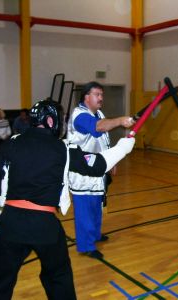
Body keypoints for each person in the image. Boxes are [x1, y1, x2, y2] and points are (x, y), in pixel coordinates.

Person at [0, 99, 135, 299]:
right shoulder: (63, 148)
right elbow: (98, 165)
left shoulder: (11, 143)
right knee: (58, 277)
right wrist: (123, 148)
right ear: (52, 122)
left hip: (11, 221)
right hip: (44, 225)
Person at [67, 81, 135, 259]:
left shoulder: (98, 113)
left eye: (102, 95)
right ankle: (86, 245)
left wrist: (111, 161)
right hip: (82, 169)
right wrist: (120, 120)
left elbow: (103, 139)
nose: (101, 98)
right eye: (97, 94)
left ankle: (95, 235)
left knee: (97, 203)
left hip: (97, 165)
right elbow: (98, 128)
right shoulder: (79, 115)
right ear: (86, 97)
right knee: (85, 208)